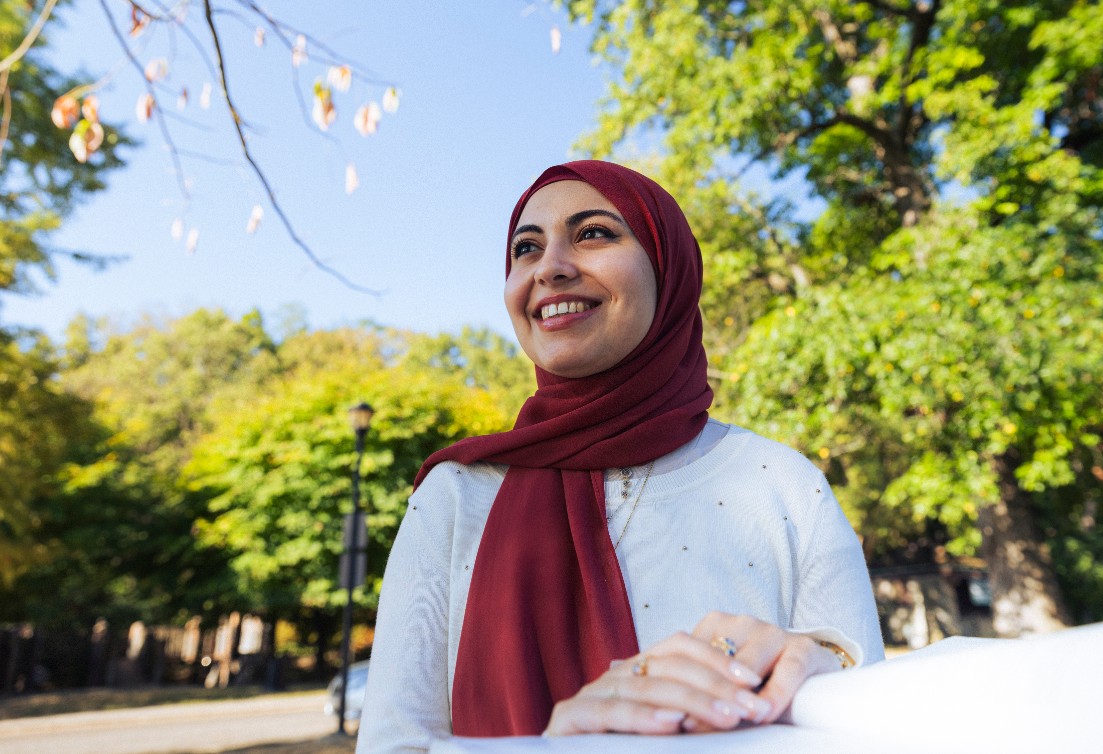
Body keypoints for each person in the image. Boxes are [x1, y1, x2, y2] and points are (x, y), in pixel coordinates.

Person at [356, 161, 883, 753]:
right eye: (525, 249)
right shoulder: (455, 496)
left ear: (668, 268)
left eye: (593, 233)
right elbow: (393, 745)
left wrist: (822, 666)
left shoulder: (783, 486)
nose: (550, 267)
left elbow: (871, 727)